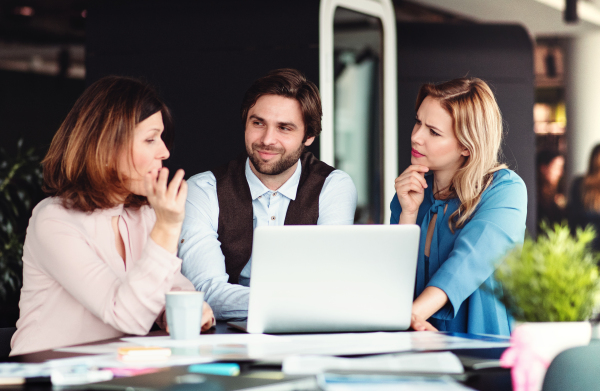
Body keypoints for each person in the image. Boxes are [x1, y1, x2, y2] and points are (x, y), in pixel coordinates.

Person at [11, 76, 214, 355]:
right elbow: (127, 315)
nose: (164, 151)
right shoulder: (53, 220)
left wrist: (181, 307)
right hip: (45, 375)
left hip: (114, 370)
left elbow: (175, 289)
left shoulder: (143, 214)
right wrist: (167, 228)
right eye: (150, 139)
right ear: (107, 147)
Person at [179, 68, 357, 320]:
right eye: (258, 123)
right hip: (225, 336)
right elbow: (205, 291)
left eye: (284, 128)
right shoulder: (202, 190)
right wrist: (299, 302)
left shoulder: (332, 186)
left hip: (307, 332)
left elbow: (330, 282)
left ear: (308, 136)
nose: (267, 139)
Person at [390, 78, 527, 336]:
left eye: (433, 131)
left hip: (481, 349)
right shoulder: (410, 190)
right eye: (418, 122)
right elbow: (393, 281)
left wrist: (410, 316)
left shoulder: (505, 190)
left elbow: (469, 261)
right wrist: (408, 214)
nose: (416, 137)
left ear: (466, 145)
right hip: (415, 345)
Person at [567, 144, 600, 251]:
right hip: (585, 247)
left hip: (583, 246)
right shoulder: (580, 184)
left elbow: (572, 219)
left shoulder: (579, 184)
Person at [537, 150, 566, 227]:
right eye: (557, 168)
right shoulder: (534, 196)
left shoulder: (558, 194)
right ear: (543, 168)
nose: (560, 173)